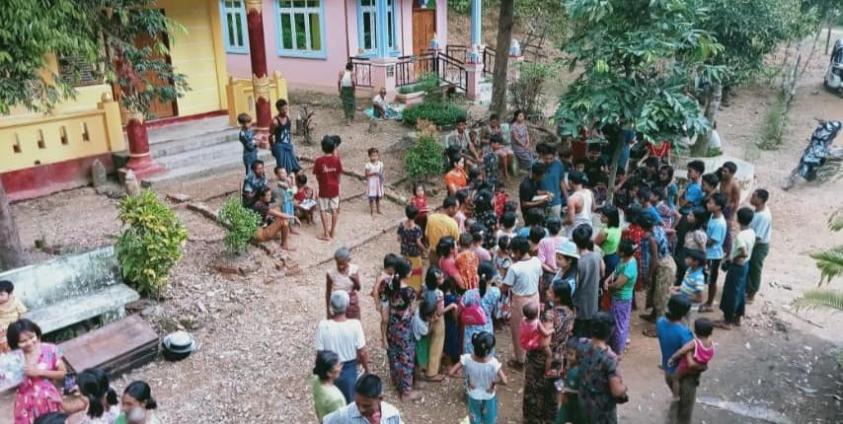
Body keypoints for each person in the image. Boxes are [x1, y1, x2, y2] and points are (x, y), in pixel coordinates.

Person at [523, 278, 576, 423]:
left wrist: (548, 355)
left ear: (558, 297)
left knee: (535, 391)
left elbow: (544, 343)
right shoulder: (571, 312)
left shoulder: (550, 315)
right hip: (560, 357)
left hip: (542, 359)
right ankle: (550, 419)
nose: (547, 292)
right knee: (552, 391)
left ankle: (533, 419)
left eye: (551, 292)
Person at [8, 319, 66, 424]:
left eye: (32, 337)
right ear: (15, 343)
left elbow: (62, 373)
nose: (29, 343)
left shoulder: (49, 349)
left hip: (49, 401)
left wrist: (40, 372)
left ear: (37, 334)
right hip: (25, 406)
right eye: (23, 341)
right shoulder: (13, 359)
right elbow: (9, 387)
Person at [315, 291, 369, 403]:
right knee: (349, 402)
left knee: (330, 401)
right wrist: (366, 369)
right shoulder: (355, 325)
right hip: (349, 370)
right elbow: (362, 352)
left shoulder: (323, 326)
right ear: (347, 306)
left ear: (331, 307)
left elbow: (320, 354)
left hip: (329, 369)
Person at [576, 312, 628, 424]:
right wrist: (624, 388)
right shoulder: (609, 358)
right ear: (610, 332)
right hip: (602, 411)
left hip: (583, 404)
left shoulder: (582, 344)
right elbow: (617, 391)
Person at [502, 237, 543, 370]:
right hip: (534, 297)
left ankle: (520, 360)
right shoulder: (537, 261)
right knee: (533, 328)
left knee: (519, 331)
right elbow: (540, 279)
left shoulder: (514, 268)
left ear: (518, 251)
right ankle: (532, 353)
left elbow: (505, 287)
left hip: (520, 301)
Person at [448, 331, 508, 424]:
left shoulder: (467, 359)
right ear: (489, 351)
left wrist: (465, 377)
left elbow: (451, 373)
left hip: (473, 395)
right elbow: (504, 381)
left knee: (475, 418)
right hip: (489, 395)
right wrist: (494, 382)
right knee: (489, 420)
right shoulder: (493, 363)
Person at [656, 295, 697, 424]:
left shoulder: (660, 322)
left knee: (677, 402)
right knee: (684, 412)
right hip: (682, 376)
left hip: (668, 371)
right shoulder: (685, 333)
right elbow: (690, 360)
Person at [384, 258, 419, 400]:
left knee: (394, 353)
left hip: (392, 324)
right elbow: (412, 308)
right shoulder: (409, 291)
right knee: (406, 357)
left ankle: (396, 381)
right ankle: (406, 392)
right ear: (407, 273)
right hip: (404, 327)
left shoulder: (389, 284)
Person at [716, 207, 755, 329]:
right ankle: (738, 316)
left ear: (738, 219)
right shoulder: (752, 232)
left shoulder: (741, 236)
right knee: (740, 291)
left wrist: (732, 258)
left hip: (737, 266)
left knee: (731, 292)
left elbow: (743, 252)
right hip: (745, 265)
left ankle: (727, 321)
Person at [641, 214, 677, 337]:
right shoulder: (659, 228)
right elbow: (672, 232)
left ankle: (660, 328)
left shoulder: (651, 239)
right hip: (667, 260)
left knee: (661, 298)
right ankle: (653, 315)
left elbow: (655, 260)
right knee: (655, 292)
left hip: (664, 267)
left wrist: (649, 276)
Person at [322, 374, 404, 423]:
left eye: (366, 406)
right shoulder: (344, 415)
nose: (361, 409)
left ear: (380, 398)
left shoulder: (392, 415)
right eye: (357, 404)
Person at [604, 240, 637, 357]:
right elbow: (616, 270)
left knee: (619, 325)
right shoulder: (626, 260)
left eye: (618, 248)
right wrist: (608, 279)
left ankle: (618, 350)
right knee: (622, 321)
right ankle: (620, 344)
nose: (616, 249)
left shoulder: (629, 268)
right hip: (620, 298)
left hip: (621, 299)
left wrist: (607, 286)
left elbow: (618, 285)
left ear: (622, 253)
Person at [668, 318, 715, 398]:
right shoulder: (711, 342)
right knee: (694, 373)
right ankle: (695, 379)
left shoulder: (695, 343)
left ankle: (676, 396)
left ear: (696, 331)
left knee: (675, 377)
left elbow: (682, 351)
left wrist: (673, 357)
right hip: (701, 365)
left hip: (687, 366)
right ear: (710, 332)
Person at [462, 261, 501, 356]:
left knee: (470, 355)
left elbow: (460, 309)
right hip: (486, 327)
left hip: (471, 330)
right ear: (492, 278)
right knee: (486, 354)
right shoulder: (496, 293)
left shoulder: (469, 294)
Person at [422, 267, 453, 381]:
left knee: (428, 343)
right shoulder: (439, 293)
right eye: (439, 278)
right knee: (436, 346)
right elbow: (440, 312)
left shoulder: (425, 288)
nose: (442, 279)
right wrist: (451, 306)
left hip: (426, 318)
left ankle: (425, 366)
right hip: (437, 320)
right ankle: (432, 373)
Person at [573, 225, 604, 338]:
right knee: (590, 330)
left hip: (580, 302)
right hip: (593, 298)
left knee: (579, 331)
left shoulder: (577, 261)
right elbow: (602, 272)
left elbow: (575, 283)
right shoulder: (597, 255)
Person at [700, 193, 727, 313]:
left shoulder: (719, 223)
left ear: (718, 206)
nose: (708, 204)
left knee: (712, 280)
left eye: (711, 203)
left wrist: (700, 239)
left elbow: (712, 241)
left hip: (713, 256)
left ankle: (709, 303)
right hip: (709, 253)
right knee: (707, 278)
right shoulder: (713, 216)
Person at [314, 135, 343, 241]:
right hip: (334, 188)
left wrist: (321, 183)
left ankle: (326, 233)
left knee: (323, 210)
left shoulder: (319, 161)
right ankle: (332, 231)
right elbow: (339, 176)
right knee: (334, 209)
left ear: (323, 148)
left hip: (324, 188)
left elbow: (317, 176)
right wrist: (338, 185)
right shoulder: (337, 160)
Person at [747, 189, 771, 303]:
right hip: (754, 243)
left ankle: (752, 294)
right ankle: (747, 289)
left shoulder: (764, 216)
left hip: (758, 246)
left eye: (754, 196)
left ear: (761, 200)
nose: (751, 198)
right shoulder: (758, 211)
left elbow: (758, 237)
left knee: (755, 269)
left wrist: (748, 247)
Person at [326, 247, 362, 319]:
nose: (340, 267)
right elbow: (328, 293)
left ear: (348, 260)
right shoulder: (331, 274)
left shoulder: (354, 270)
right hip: (338, 301)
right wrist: (328, 311)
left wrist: (355, 280)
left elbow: (358, 288)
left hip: (351, 301)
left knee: (354, 321)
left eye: (343, 264)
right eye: (338, 264)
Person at [518, 302, 554, 375]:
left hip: (525, 342)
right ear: (536, 314)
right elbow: (545, 333)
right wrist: (552, 330)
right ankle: (547, 371)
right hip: (534, 344)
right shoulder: (537, 323)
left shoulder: (523, 319)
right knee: (549, 355)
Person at [425, 197, 461, 265]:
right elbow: (456, 242)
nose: (457, 211)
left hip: (433, 254)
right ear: (450, 208)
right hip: (446, 257)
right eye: (457, 208)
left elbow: (426, 236)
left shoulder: (431, 218)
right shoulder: (453, 223)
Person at [397, 205, 425, 293]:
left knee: (405, 271)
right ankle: (416, 291)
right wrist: (425, 250)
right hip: (414, 254)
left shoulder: (401, 225)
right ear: (416, 215)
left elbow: (399, 238)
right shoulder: (417, 228)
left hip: (404, 252)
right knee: (416, 273)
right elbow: (418, 243)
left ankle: (405, 288)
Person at [269, 99, 301, 175]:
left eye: (286, 108)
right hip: (279, 146)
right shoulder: (275, 122)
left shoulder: (288, 118)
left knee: (294, 166)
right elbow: (270, 135)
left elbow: (288, 132)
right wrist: (272, 147)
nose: (285, 111)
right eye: (282, 109)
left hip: (288, 145)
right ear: (278, 109)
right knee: (282, 167)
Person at [537, 143, 566, 218]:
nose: (549, 161)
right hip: (540, 201)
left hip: (556, 202)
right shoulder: (536, 166)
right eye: (546, 158)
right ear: (542, 156)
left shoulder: (559, 165)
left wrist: (567, 198)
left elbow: (562, 182)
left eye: (551, 158)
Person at [0, 280, 27, 353]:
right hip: (3, 326)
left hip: (14, 323)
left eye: (1, 295)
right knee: (2, 338)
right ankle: (4, 351)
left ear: (10, 294)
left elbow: (22, 312)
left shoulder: (15, 301)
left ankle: (14, 350)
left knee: (17, 334)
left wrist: (20, 323)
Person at [537, 217, 566, 281]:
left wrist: (552, 271)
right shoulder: (566, 241)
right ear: (560, 228)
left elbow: (541, 262)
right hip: (563, 274)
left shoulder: (543, 241)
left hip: (549, 275)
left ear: (547, 228)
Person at [565, 171, 594, 237]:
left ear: (570, 182)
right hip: (588, 230)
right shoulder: (589, 192)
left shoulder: (572, 199)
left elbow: (570, 220)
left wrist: (562, 222)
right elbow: (593, 208)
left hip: (575, 233)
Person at [365, 147, 385, 216]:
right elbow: (366, 174)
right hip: (371, 183)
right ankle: (372, 211)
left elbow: (382, 172)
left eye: (376, 155)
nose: (374, 157)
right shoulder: (368, 165)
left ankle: (378, 210)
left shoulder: (381, 164)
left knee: (377, 197)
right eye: (373, 155)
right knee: (371, 198)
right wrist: (373, 173)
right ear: (369, 156)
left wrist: (382, 179)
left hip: (378, 183)